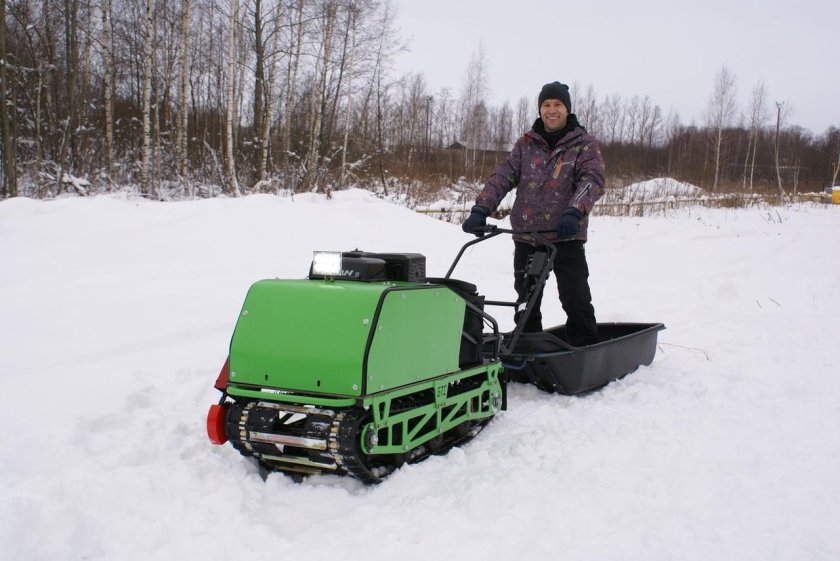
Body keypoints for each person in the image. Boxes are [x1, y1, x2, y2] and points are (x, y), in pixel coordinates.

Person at [462, 81, 605, 346]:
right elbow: (504, 176)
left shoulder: (583, 144)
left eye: (557, 105)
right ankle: (529, 347)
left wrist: (574, 212)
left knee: (575, 297)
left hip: (565, 236)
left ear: (567, 109)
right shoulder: (526, 144)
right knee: (526, 301)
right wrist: (481, 209)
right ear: (540, 110)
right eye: (546, 105)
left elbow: (592, 180)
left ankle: (585, 347)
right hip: (527, 236)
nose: (552, 110)